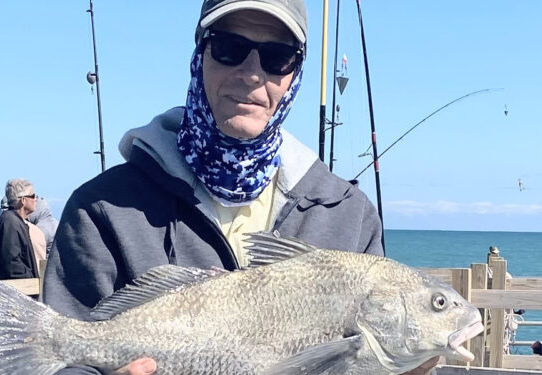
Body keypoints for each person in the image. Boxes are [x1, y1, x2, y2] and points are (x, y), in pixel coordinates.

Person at [44, 1, 435, 374]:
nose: (252, 73)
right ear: (199, 57)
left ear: (294, 74)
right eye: (230, 48)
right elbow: (63, 361)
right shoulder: (101, 208)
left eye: (277, 57)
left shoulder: (351, 215)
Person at [0, 179, 39, 280]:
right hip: (16, 289)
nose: (36, 199)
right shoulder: (10, 222)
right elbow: (11, 262)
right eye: (33, 196)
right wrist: (30, 277)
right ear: (23, 200)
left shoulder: (15, 221)